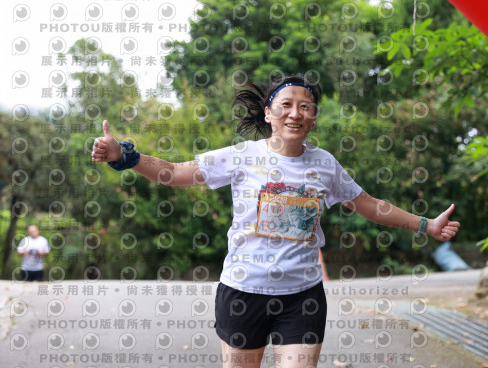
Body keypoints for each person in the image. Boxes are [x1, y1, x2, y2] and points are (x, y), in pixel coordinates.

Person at [91, 75, 460, 368]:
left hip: (302, 297)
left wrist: (425, 225)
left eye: (305, 107)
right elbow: (174, 172)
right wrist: (125, 155)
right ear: (268, 113)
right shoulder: (241, 156)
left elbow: (368, 205)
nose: (295, 113)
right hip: (242, 292)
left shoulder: (325, 164)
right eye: (286, 105)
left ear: (313, 117)